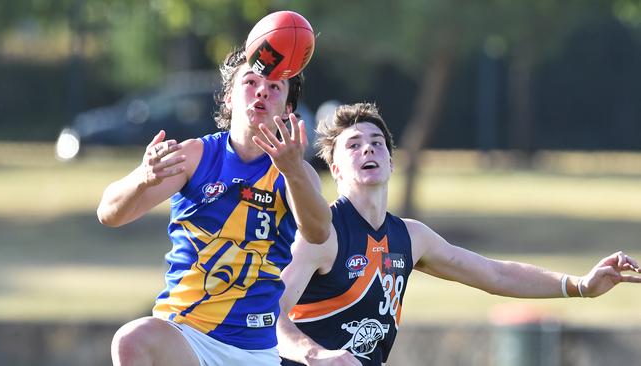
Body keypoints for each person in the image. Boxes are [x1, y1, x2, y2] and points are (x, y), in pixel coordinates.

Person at [276, 102, 641, 366]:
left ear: (390, 160)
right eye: (353, 144)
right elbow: (267, 314)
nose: (368, 147)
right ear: (336, 168)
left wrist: (579, 284)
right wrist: (316, 356)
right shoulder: (321, 235)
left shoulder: (411, 238)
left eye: (376, 142)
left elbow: (494, 274)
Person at [97, 45, 331, 366]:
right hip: (186, 333)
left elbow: (318, 232)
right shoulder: (196, 156)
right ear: (228, 98)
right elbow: (108, 213)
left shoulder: (295, 173)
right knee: (132, 341)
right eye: (250, 82)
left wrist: (293, 172)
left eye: (275, 87)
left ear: (288, 109)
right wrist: (142, 177)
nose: (261, 90)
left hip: (254, 349)